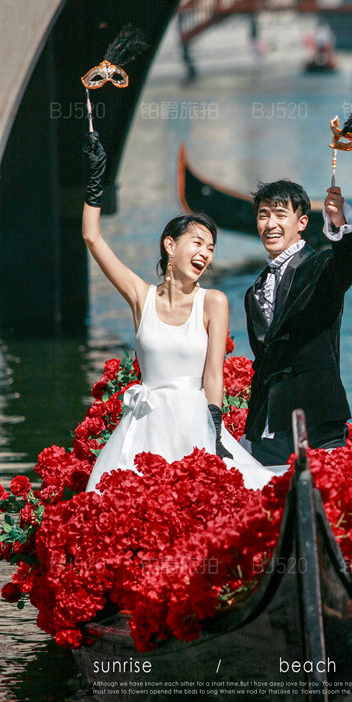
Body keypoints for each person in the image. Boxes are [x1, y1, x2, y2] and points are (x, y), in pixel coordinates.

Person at [79, 132, 276, 492]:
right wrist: (96, 183)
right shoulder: (141, 296)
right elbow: (92, 237)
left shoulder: (213, 301)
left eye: (211, 248)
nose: (205, 254)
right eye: (197, 243)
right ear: (170, 245)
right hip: (144, 426)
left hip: (195, 423)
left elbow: (213, 375)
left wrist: (215, 432)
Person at [242, 179, 352, 466]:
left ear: (302, 222)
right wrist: (251, 428)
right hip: (268, 432)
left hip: (318, 424)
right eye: (263, 215)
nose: (270, 224)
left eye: (281, 214)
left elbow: (346, 264)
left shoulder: (320, 268)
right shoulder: (254, 291)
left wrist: (340, 227)